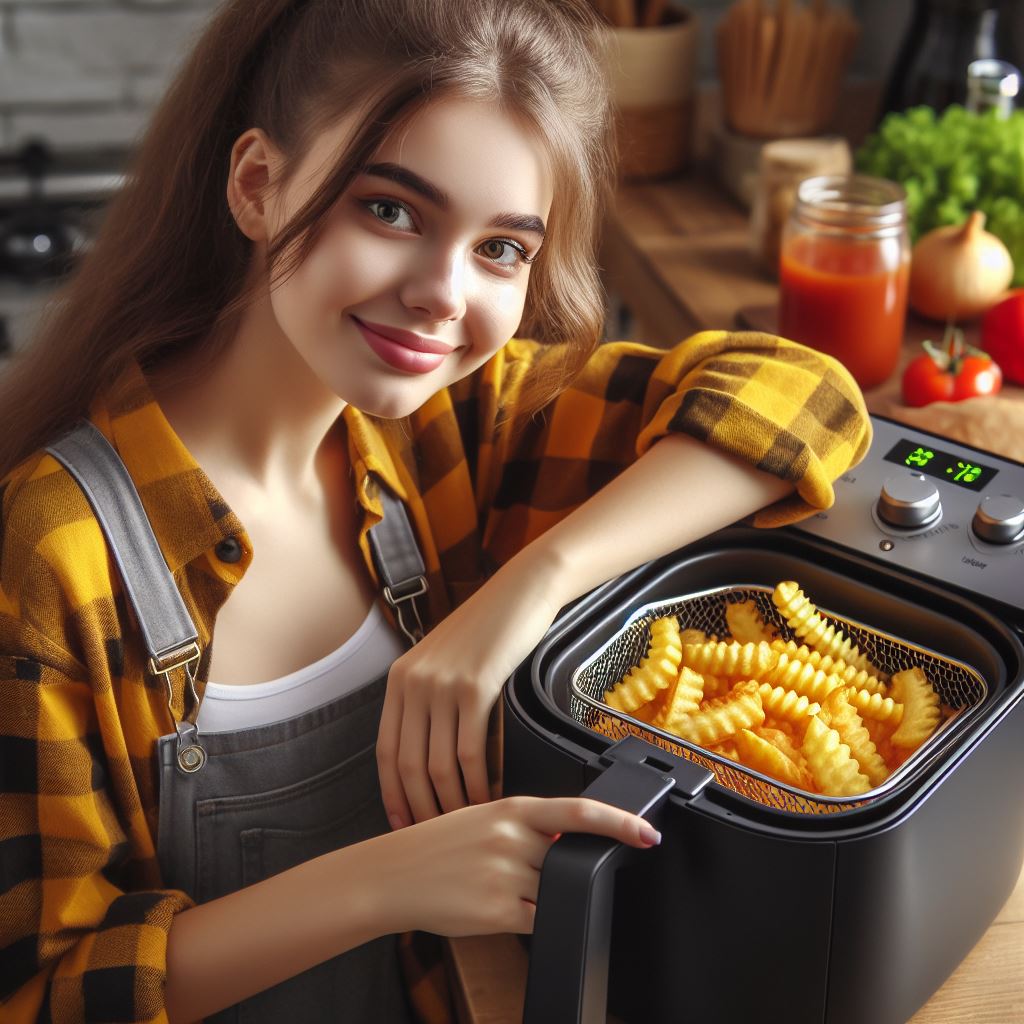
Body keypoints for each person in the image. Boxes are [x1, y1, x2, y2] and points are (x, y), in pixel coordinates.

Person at [0, 0, 871, 1021]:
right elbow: (40, 989)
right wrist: (387, 880)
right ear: (257, 185)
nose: (443, 296)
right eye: (392, 211)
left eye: (501, 249)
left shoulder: (455, 425)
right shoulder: (53, 553)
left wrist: (531, 583)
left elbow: (805, 396)